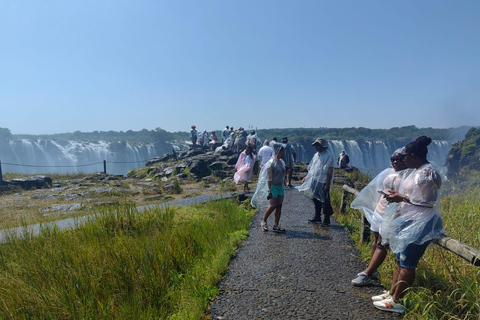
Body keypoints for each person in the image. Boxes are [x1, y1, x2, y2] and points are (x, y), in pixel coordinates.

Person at [373, 136, 444, 313]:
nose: (402, 159)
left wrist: (401, 197)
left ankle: (397, 302)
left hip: (421, 223)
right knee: (400, 260)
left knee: (408, 263)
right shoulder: (417, 170)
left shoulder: (427, 173)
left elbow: (429, 202)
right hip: (410, 220)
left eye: (405, 156)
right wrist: (398, 195)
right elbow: (415, 196)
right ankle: (392, 293)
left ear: (413, 156)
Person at [350, 149, 411, 287]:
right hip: (380, 211)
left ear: (406, 159)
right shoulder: (389, 172)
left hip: (392, 215)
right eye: (393, 159)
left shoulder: (409, 176)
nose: (395, 162)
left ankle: (367, 273)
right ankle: (373, 270)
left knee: (381, 244)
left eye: (399, 159)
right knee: (376, 241)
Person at [296, 138, 334, 227]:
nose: (316, 147)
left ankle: (326, 219)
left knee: (325, 200)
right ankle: (317, 216)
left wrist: (327, 184)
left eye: (318, 145)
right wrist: (307, 176)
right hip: (315, 180)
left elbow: (330, 171)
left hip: (323, 181)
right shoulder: (316, 155)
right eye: (315, 145)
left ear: (322, 146)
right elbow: (313, 167)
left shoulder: (329, 156)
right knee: (315, 199)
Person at [251, 143, 287, 233]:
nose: (284, 153)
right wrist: (269, 190)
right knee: (273, 205)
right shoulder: (271, 163)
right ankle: (264, 221)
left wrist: (284, 181)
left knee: (279, 206)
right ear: (278, 151)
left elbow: (283, 173)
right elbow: (269, 178)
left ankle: (276, 225)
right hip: (273, 187)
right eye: (283, 151)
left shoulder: (282, 162)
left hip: (280, 186)